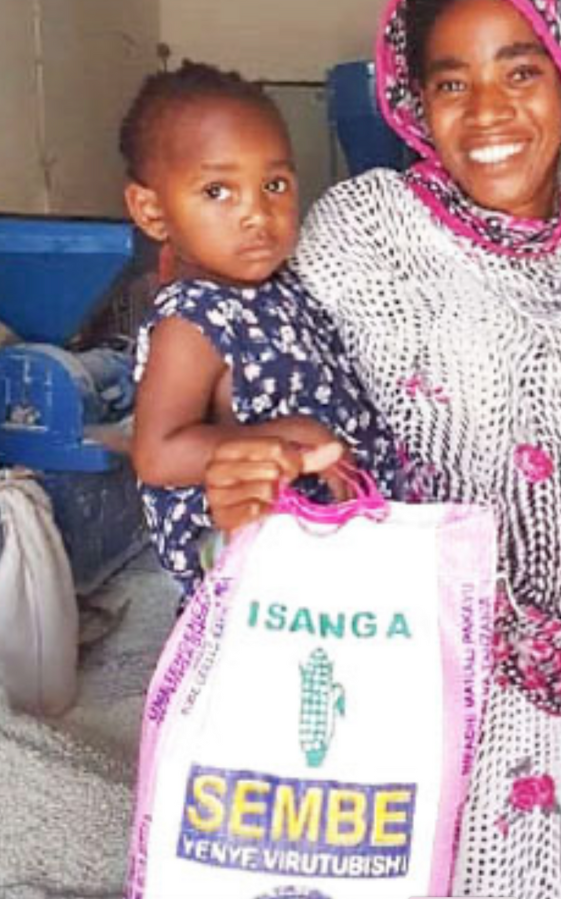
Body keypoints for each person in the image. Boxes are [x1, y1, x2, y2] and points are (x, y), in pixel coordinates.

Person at [204, 0, 561, 899]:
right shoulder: (364, 237)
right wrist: (242, 463)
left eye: (520, 72)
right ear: (413, 97)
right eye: (452, 81)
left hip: (528, 725)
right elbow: (255, 384)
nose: (487, 111)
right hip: (370, 679)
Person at [120, 61, 399, 601]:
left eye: (274, 184)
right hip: (258, 573)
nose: (257, 214)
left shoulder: (285, 286)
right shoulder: (193, 318)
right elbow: (157, 453)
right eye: (218, 191)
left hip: (322, 555)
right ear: (151, 210)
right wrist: (287, 435)